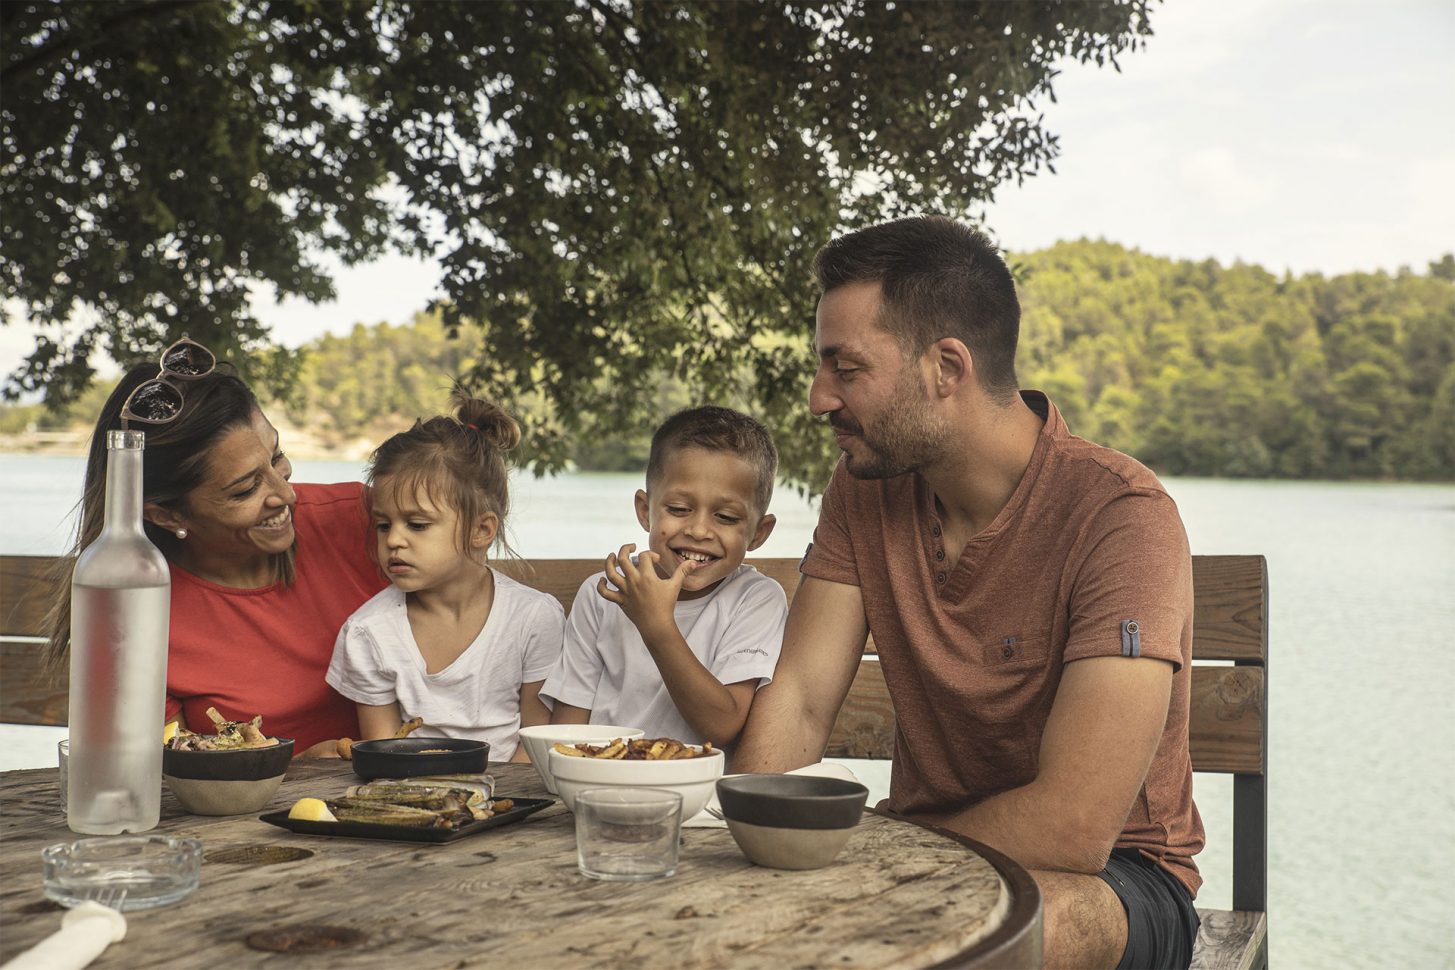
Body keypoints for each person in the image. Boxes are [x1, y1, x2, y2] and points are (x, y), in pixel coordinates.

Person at [733, 217, 1206, 970]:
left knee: (970, 940)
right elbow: (799, 699)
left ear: (945, 367)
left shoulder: (1120, 517)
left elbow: (1074, 826)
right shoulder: (866, 489)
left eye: (845, 368)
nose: (820, 399)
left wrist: (863, 851)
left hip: (1115, 879)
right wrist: (748, 832)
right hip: (913, 852)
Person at [45, 337, 386, 755]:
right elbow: (165, 773)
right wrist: (296, 772)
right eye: (246, 489)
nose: (287, 495)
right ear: (167, 515)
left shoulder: (371, 523)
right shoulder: (137, 611)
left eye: (277, 458)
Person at [326, 390, 564, 762]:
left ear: (481, 530)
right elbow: (385, 754)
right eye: (384, 525)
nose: (394, 541)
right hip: (413, 797)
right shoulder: (368, 632)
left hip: (515, 797)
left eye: (417, 525)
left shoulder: (532, 619)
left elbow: (537, 743)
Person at [541, 406, 787, 750]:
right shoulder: (604, 594)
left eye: (726, 517)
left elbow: (723, 724)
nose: (699, 530)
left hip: (699, 797)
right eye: (679, 509)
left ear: (759, 533)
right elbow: (567, 735)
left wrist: (657, 625)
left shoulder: (756, 600)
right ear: (646, 511)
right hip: (601, 784)